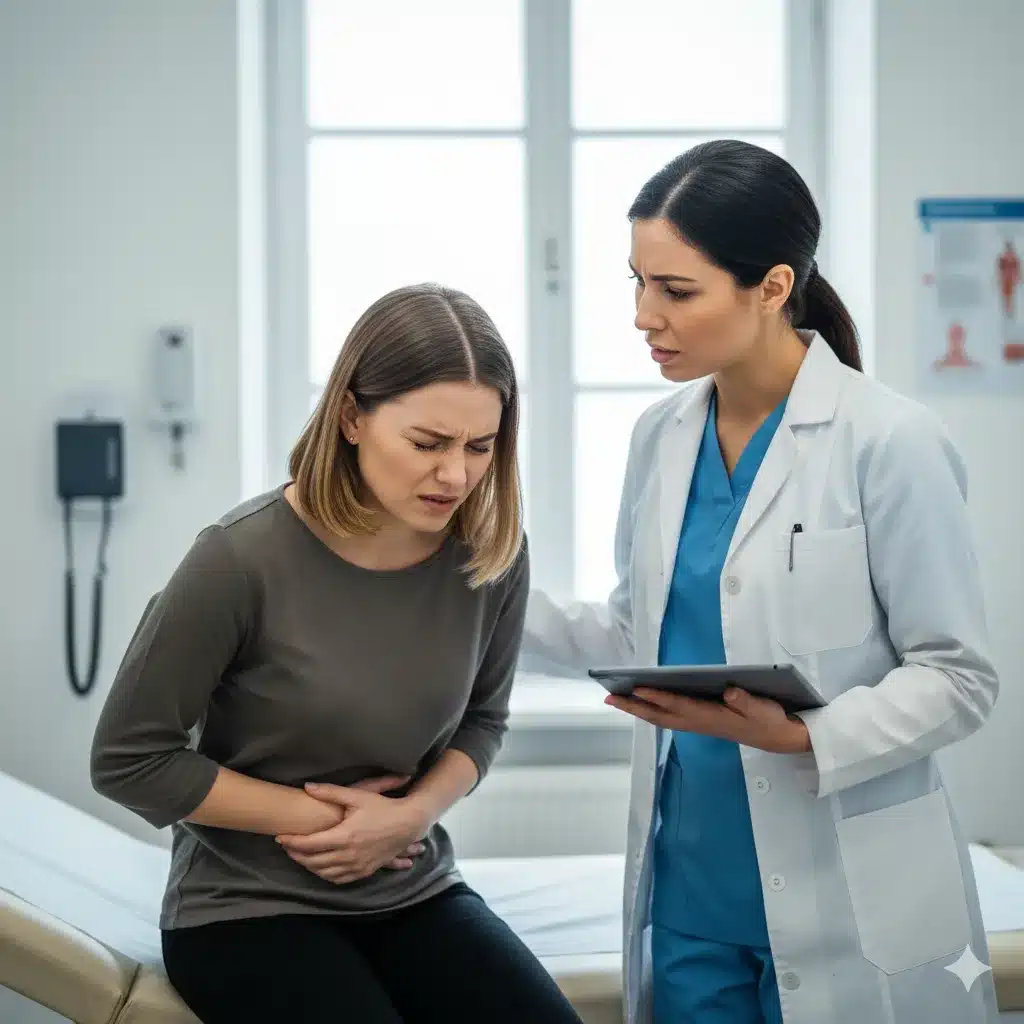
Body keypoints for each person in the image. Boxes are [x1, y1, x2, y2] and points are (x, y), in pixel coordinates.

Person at [524, 140, 1000, 1024]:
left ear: (773, 287)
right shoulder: (658, 438)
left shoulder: (889, 441)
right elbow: (640, 631)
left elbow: (958, 677)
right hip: (691, 892)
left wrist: (803, 737)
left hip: (853, 893)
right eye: (636, 281)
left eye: (675, 291)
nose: (641, 315)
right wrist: (477, 590)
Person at [91, 283, 583, 1024]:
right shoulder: (239, 558)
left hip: (409, 886)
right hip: (242, 907)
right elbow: (130, 758)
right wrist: (325, 823)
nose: (456, 474)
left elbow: (483, 721)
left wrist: (409, 816)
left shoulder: (490, 557)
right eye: (428, 443)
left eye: (479, 447)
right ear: (352, 416)